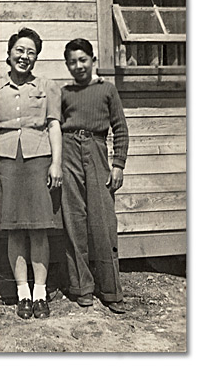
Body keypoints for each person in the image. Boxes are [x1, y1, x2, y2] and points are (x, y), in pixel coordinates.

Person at [0, 27, 62, 320]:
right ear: (9, 52)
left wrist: (56, 163)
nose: (24, 57)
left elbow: (54, 125)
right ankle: (22, 294)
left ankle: (40, 293)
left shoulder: (47, 87)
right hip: (6, 162)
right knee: (14, 228)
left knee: (39, 228)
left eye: (31, 53)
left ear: (36, 58)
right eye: (20, 50)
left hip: (39, 159)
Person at [61, 38, 129, 314]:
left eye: (82, 60)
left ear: (93, 60)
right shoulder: (63, 93)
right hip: (67, 153)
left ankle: (111, 290)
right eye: (72, 62)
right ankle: (82, 288)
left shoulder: (107, 90)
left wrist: (118, 164)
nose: (78, 66)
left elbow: (120, 129)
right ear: (67, 65)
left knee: (103, 221)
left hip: (97, 150)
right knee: (74, 219)